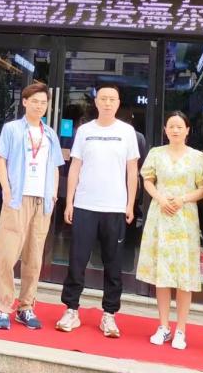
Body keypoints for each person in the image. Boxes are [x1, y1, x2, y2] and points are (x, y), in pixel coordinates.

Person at [56, 84, 140, 338]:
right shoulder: (85, 131)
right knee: (77, 260)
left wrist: (130, 204)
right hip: (84, 205)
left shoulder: (127, 132)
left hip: (115, 207)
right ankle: (71, 310)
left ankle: (109, 314)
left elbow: (132, 171)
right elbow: (75, 167)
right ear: (96, 102)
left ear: (118, 103)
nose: (107, 103)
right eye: (103, 98)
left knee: (113, 263)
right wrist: (69, 202)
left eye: (112, 99)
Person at [0, 82, 65, 331]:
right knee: (7, 254)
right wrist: (6, 189)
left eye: (43, 102)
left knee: (34, 258)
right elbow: (1, 160)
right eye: (35, 101)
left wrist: (53, 194)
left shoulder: (50, 134)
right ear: (24, 102)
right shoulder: (12, 129)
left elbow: (55, 166)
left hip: (42, 201)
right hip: (17, 198)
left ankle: (26, 307)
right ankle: (4, 307)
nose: (39, 106)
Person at [136, 111, 203, 350]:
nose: (175, 130)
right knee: (163, 274)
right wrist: (160, 198)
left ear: (187, 130)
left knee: (184, 276)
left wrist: (183, 199)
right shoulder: (156, 153)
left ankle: (181, 330)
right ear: (165, 130)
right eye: (171, 126)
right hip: (161, 217)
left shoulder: (198, 157)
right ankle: (163, 326)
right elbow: (147, 180)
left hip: (185, 219)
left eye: (180, 126)